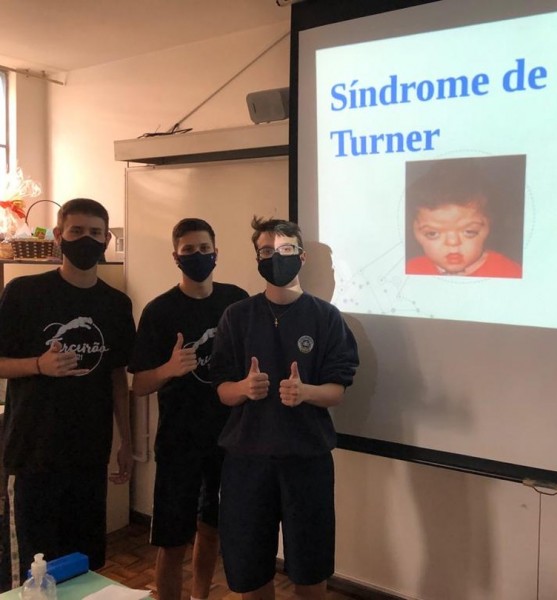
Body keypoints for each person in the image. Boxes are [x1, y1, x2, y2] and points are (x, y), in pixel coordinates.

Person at [210, 218, 358, 600]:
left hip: (306, 460)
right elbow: (222, 390)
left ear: (301, 256)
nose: (276, 257)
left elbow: (337, 392)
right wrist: (243, 388)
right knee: (249, 570)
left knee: (311, 569)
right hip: (247, 461)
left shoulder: (326, 317)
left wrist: (306, 392)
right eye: (267, 251)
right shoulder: (236, 316)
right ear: (257, 258)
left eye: (285, 250)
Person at [0, 198, 135, 589]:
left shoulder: (116, 304)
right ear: (59, 236)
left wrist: (126, 442)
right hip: (33, 455)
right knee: (35, 571)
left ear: (106, 240)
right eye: (77, 231)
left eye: (95, 233)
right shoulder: (24, 292)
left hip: (89, 455)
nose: (86, 239)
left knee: (83, 564)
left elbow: (117, 376)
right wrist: (38, 365)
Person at [128, 218, 248, 600]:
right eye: (189, 250)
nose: (198, 255)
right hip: (179, 442)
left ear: (216, 252)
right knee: (172, 538)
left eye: (204, 249)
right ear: (175, 257)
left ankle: (200, 596)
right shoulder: (159, 310)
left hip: (228, 439)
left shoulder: (236, 300)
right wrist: (169, 368)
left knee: (212, 527)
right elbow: (139, 385)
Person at [405, 157, 523, 278]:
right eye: (432, 233)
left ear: (489, 226)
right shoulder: (410, 270)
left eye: (469, 232)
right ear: (416, 231)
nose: (453, 242)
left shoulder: (508, 272)